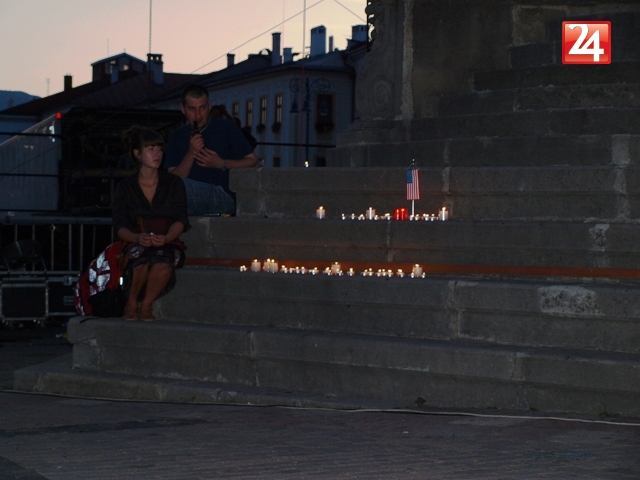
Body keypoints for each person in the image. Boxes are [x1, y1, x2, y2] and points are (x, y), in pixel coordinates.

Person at [112, 127, 191, 321]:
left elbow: (181, 219)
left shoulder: (173, 183)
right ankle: (131, 304)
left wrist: (167, 237)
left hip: (166, 238)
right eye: (151, 149)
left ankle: (146, 305)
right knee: (139, 259)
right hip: (137, 238)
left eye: (159, 149)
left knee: (164, 260)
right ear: (138, 154)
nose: (157, 154)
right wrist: (136, 237)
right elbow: (120, 225)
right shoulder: (125, 187)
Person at [164, 84, 259, 215]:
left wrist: (221, 163)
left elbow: (252, 160)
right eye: (192, 109)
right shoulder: (176, 136)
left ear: (209, 106)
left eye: (202, 108)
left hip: (222, 195)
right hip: (189, 194)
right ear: (183, 109)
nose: (198, 115)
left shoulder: (225, 128)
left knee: (180, 189)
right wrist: (191, 153)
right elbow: (173, 179)